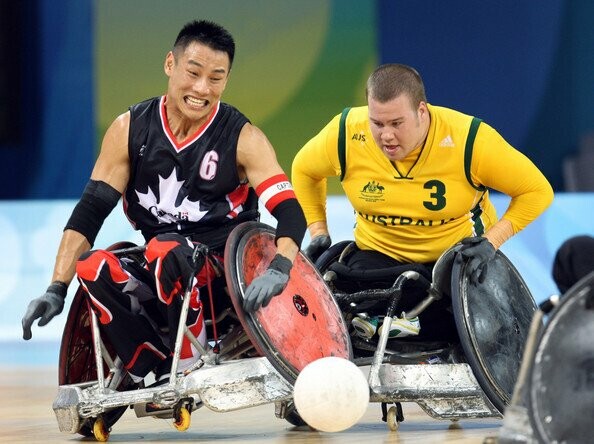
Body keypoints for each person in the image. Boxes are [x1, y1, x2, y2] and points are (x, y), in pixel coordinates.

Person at [21, 20, 306, 382]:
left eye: (216, 78)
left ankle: (188, 363)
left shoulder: (243, 138)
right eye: (193, 72)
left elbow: (290, 212)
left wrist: (281, 267)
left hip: (224, 279)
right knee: (93, 266)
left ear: (226, 81)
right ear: (170, 64)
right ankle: (147, 364)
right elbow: (89, 213)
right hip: (162, 270)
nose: (202, 88)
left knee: (165, 249)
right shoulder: (130, 129)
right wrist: (55, 289)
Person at [292, 63, 554, 341]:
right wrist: (318, 230)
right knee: (332, 305)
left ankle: (411, 326)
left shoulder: (469, 140)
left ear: (421, 111)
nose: (386, 135)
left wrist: (492, 241)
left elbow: (537, 191)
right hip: (378, 258)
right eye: (377, 123)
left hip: (453, 261)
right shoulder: (346, 133)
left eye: (396, 123)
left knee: (482, 332)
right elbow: (304, 169)